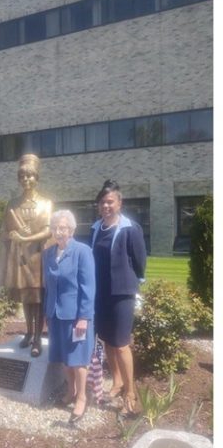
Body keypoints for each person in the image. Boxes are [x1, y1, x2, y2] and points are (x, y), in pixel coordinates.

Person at [90, 179, 146, 417]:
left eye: (110, 202)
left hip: (122, 293)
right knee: (107, 341)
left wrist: (135, 284)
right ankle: (118, 382)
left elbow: (140, 259)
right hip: (100, 293)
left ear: (119, 203)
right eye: (102, 202)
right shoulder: (95, 228)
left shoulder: (130, 228)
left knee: (121, 343)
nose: (106, 206)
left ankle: (131, 394)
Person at [43, 210, 96, 425]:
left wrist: (84, 316)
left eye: (63, 228)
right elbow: (48, 287)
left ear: (72, 230)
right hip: (55, 314)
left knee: (78, 359)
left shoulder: (82, 252)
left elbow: (88, 287)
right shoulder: (48, 253)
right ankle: (71, 390)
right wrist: (47, 312)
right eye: (55, 227)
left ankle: (82, 397)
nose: (58, 231)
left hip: (76, 316)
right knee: (64, 358)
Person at [0, 153, 52, 357]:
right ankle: (28, 332)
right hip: (20, 258)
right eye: (22, 177)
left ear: (36, 178)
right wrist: (13, 234)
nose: (26, 180)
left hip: (38, 257)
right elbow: (4, 231)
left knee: (37, 299)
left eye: (30, 176)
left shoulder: (46, 203)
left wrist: (28, 239)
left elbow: (48, 231)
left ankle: (38, 337)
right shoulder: (12, 205)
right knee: (26, 298)